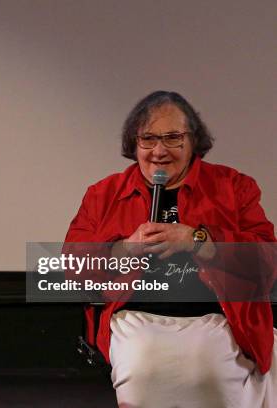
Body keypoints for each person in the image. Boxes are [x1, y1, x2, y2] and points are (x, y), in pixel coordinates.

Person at [64, 91, 276, 407]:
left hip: (218, 320)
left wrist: (200, 242)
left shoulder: (233, 186)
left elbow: (268, 264)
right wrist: (124, 249)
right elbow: (72, 265)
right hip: (136, 320)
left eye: (173, 138)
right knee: (143, 367)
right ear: (133, 145)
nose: (159, 151)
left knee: (205, 369)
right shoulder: (103, 194)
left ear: (193, 142)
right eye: (148, 139)